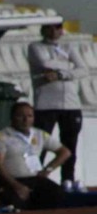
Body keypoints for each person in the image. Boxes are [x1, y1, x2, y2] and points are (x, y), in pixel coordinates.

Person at [28, 23, 89, 193]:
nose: (54, 31)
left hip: (70, 104)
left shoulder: (68, 47)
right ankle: (35, 178)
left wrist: (61, 74)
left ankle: (67, 179)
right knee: (40, 145)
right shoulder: (35, 47)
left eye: (57, 27)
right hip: (45, 104)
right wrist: (69, 66)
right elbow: (44, 63)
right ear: (43, 29)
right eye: (51, 27)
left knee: (70, 144)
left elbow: (83, 70)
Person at [0, 102, 70, 211]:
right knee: (16, 203)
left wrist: (48, 169)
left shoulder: (39, 134)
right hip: (11, 180)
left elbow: (65, 152)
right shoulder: (1, 137)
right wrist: (16, 186)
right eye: (20, 116)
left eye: (29, 116)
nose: (25, 120)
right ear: (12, 117)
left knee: (58, 194)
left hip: (35, 178)